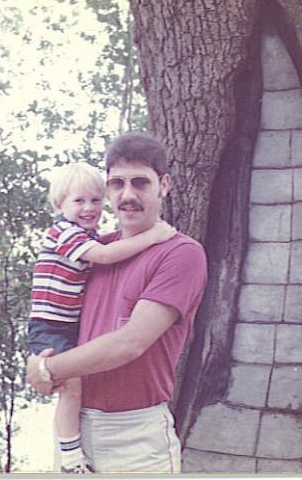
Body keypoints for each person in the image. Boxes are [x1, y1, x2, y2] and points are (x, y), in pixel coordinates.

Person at [26, 132, 208, 474]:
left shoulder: (180, 253)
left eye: (140, 182)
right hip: (73, 430)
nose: (127, 195)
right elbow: (54, 305)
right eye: (117, 184)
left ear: (163, 185)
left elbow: (130, 343)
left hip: (134, 439)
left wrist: (47, 369)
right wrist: (41, 355)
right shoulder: (94, 251)